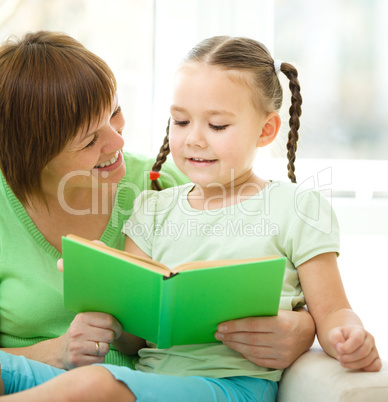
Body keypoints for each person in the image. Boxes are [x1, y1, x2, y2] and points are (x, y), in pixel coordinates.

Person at [0, 35, 381, 401]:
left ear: (266, 130)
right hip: (147, 380)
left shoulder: (296, 206)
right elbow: (135, 340)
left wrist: (343, 335)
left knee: (92, 385)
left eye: (216, 126)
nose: (194, 139)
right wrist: (107, 285)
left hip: (230, 384)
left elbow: (332, 309)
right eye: (180, 122)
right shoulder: (152, 208)